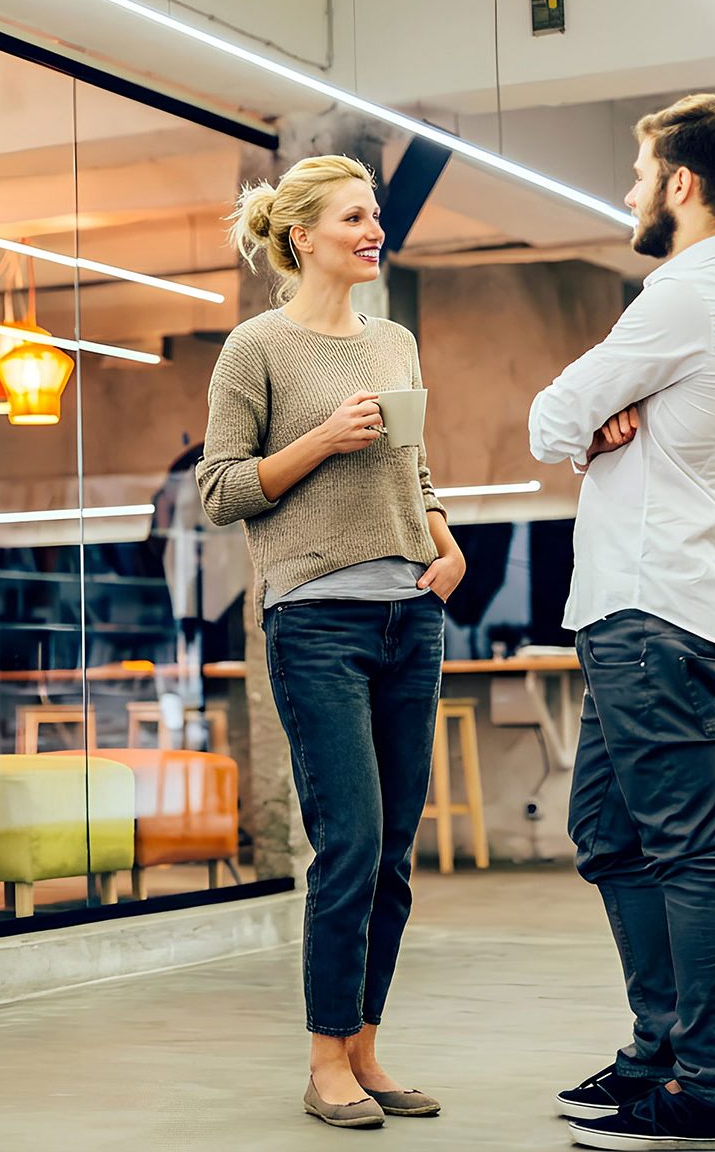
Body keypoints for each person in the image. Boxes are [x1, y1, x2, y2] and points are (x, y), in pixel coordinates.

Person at [196, 154, 465, 1130]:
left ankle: (365, 1045)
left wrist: (446, 539)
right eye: (355, 216)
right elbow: (219, 490)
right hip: (315, 619)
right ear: (302, 235)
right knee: (347, 843)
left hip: (412, 612)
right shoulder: (256, 349)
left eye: (376, 216)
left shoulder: (394, 341)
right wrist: (319, 441)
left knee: (394, 851)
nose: (373, 230)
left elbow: (415, 467)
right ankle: (322, 1063)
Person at [529, 94, 715, 1151]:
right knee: (609, 831)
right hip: (651, 608)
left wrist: (587, 422)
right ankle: (659, 1049)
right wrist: (600, 425)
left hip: (650, 610)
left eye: (638, 174)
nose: (630, 193)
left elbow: (547, 417)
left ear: (681, 183)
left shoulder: (684, 295)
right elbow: (580, 422)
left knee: (684, 850)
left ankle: (707, 1088)